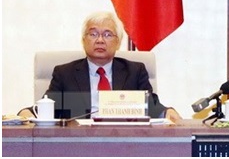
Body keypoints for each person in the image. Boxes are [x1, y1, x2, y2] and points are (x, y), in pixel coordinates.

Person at [18, 11, 181, 121]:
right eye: (93, 34)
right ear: (84, 40)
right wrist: (26, 113)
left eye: (108, 34)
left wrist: (168, 112)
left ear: (118, 42)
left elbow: (151, 106)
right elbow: (48, 105)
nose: (100, 40)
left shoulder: (134, 71)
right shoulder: (65, 73)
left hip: (124, 142)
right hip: (79, 144)